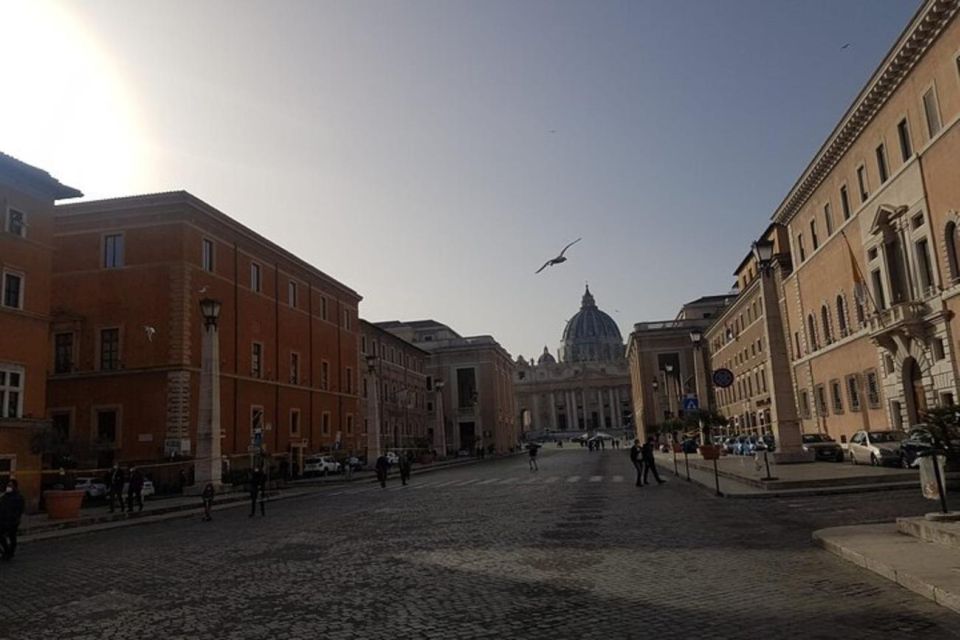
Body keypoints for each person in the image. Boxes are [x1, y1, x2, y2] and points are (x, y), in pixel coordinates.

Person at [0, 479, 25, 561]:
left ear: (15, 487)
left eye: (10, 486)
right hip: (3, 520)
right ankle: (7, 551)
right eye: (8, 485)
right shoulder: (5, 496)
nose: (8, 487)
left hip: (13, 521)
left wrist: (15, 519)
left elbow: (20, 510)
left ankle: (10, 553)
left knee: (12, 537)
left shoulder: (18, 497)